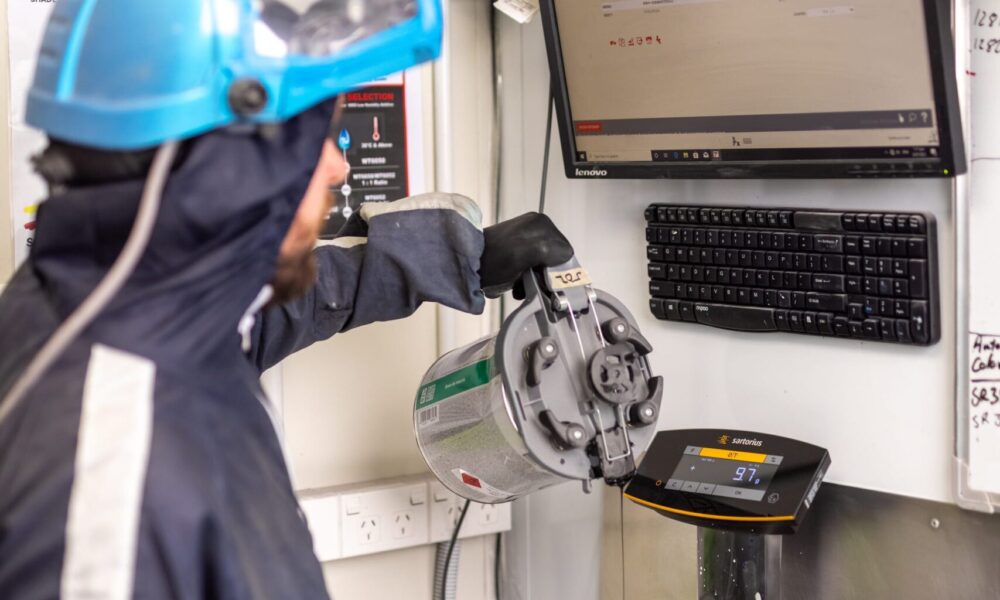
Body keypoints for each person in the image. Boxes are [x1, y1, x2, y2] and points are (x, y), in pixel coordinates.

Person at [0, 1, 573, 598]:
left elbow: (289, 300)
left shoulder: (119, 307)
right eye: (309, 136)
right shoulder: (105, 475)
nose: (336, 167)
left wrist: (467, 254)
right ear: (221, 168)